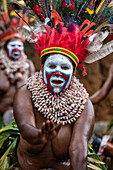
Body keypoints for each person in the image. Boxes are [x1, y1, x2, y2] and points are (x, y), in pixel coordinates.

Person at [13, 0, 113, 169]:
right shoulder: (26, 93)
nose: (58, 72)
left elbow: (78, 149)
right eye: (52, 66)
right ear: (42, 68)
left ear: (73, 73)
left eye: (64, 67)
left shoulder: (83, 105)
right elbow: (24, 127)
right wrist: (39, 135)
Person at [0, 10, 35, 125]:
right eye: (13, 45)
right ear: (6, 48)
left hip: (24, 116)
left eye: (19, 45)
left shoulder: (28, 65)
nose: (17, 49)